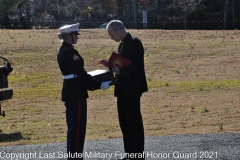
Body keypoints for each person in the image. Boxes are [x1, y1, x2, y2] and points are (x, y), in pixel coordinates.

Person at [57, 23, 111, 160]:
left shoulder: (63, 50)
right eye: (76, 35)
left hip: (71, 90)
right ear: (69, 36)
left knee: (74, 127)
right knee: (77, 128)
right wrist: (99, 85)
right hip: (76, 92)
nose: (78, 38)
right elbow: (81, 74)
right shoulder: (70, 52)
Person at [98, 20, 148, 160]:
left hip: (132, 89)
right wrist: (109, 64)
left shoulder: (134, 42)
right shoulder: (122, 43)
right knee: (124, 123)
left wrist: (121, 72)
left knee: (134, 123)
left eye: (111, 34)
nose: (111, 38)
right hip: (122, 89)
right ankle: (130, 153)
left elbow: (137, 67)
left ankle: (138, 154)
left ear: (118, 30)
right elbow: (121, 63)